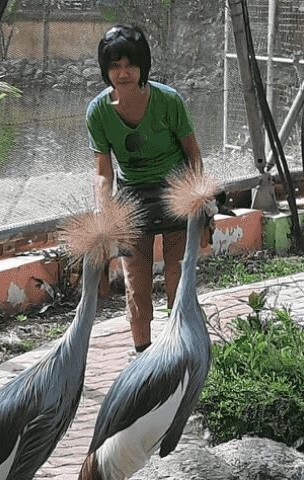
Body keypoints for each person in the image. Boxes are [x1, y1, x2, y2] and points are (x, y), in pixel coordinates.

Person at [86, 23, 204, 354]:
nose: (123, 73)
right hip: (132, 197)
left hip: (175, 191)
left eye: (130, 65)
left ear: (143, 67)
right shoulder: (97, 111)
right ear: (106, 69)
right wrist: (103, 210)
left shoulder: (169, 101)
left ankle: (180, 345)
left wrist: (196, 198)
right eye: (115, 66)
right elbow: (103, 171)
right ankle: (142, 352)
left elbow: (192, 153)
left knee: (176, 271)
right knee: (136, 281)